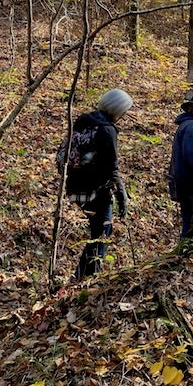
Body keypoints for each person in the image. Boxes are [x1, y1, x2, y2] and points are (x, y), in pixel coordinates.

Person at [66, 89, 132, 279]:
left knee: (97, 231)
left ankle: (80, 276)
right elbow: (112, 167)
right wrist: (122, 196)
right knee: (102, 232)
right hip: (97, 190)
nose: (123, 116)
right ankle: (89, 277)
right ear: (116, 109)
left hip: (75, 187)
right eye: (124, 111)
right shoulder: (106, 130)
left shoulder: (82, 121)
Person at [168, 93, 193, 238]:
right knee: (190, 224)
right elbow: (191, 154)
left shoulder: (186, 125)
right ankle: (184, 255)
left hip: (182, 181)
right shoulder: (192, 126)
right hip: (187, 182)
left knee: (190, 221)